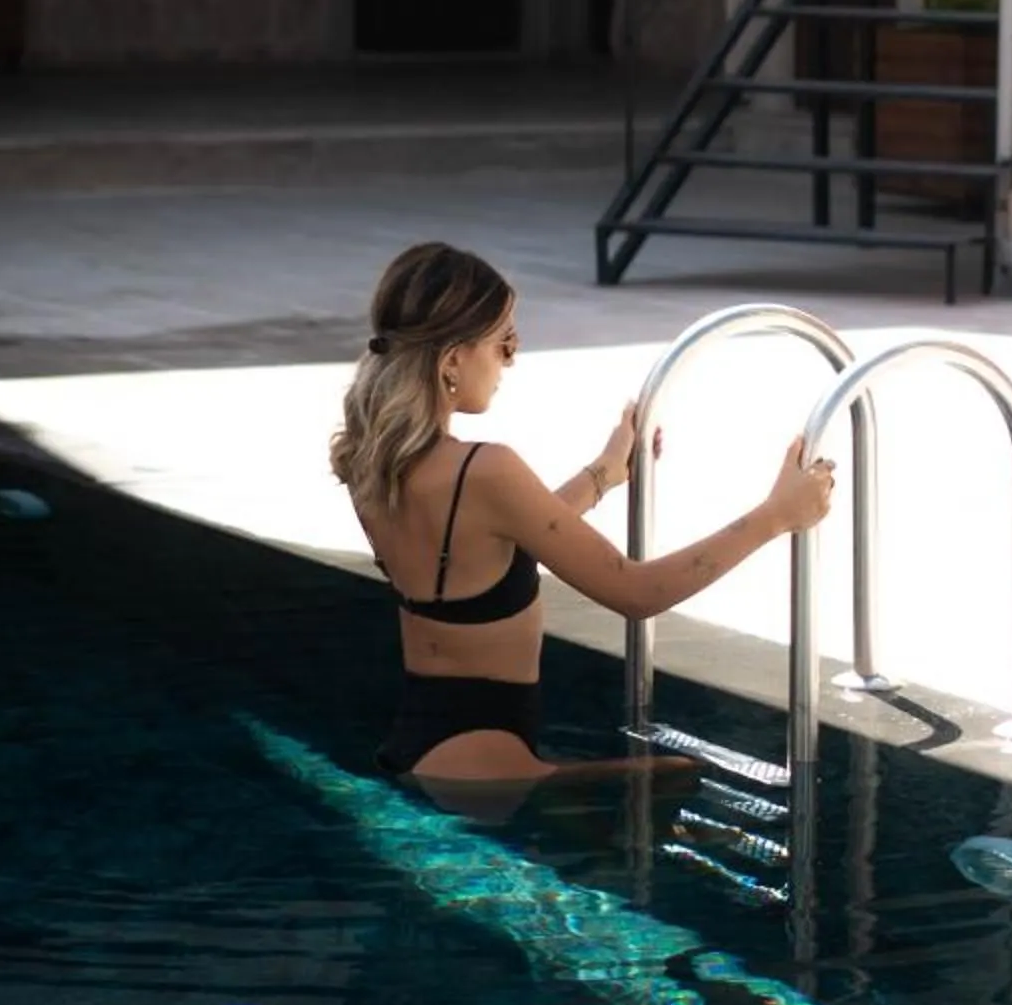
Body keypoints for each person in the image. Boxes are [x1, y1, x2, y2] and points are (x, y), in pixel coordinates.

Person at [332, 241, 836, 786]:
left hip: (421, 745)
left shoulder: (372, 462)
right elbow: (636, 594)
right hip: (488, 762)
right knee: (681, 781)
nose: (511, 360)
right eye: (504, 342)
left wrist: (603, 473)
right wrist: (777, 515)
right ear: (453, 358)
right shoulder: (485, 469)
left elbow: (498, 542)